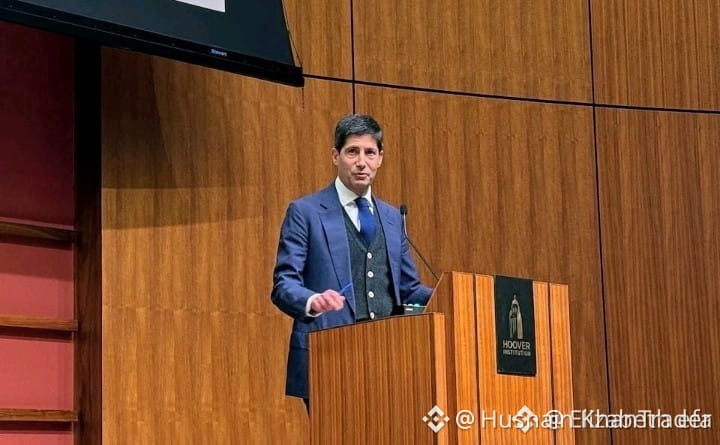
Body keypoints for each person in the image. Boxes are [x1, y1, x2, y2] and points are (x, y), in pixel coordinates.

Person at [271, 114, 433, 408]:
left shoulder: (392, 218)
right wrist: (312, 300)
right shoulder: (305, 212)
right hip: (329, 355)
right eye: (352, 152)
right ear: (336, 156)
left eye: (370, 153)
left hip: (390, 358)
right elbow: (284, 284)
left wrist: (451, 293)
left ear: (380, 158)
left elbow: (408, 289)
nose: (361, 162)